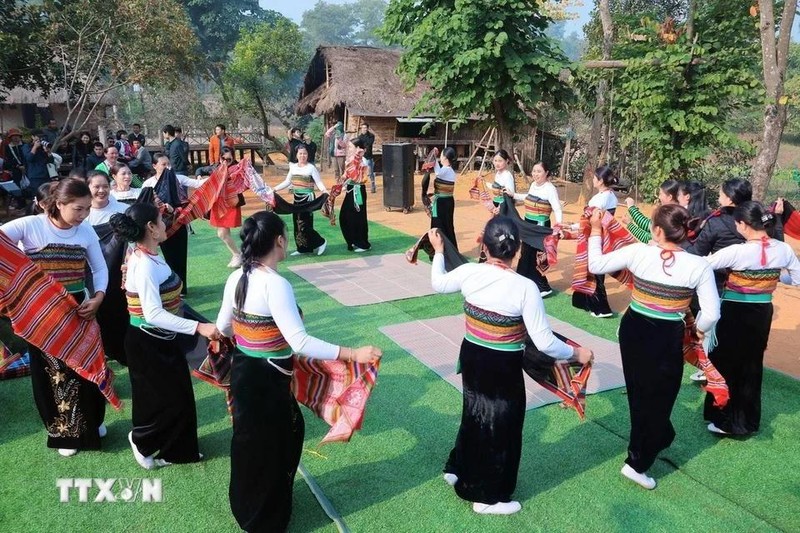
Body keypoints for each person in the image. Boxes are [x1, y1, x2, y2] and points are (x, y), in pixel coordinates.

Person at [216, 211, 382, 531]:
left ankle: (247, 506)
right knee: (275, 442)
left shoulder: (237, 277)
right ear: (280, 241)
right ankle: (265, 517)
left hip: (244, 371)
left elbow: (224, 325)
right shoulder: (275, 284)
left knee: (250, 440)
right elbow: (299, 341)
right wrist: (352, 353)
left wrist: (250, 333)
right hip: (267, 379)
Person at [429, 217, 592, 515]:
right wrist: (576, 353)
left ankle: (457, 467)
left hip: (473, 356)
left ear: (483, 244)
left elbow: (438, 283)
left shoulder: (468, 273)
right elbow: (544, 342)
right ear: (517, 250)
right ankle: (486, 496)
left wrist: (439, 250)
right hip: (502, 366)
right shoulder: (525, 288)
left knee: (474, 411)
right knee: (501, 426)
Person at [587, 204, 719, 489]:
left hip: (634, 328)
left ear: (657, 230)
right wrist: (697, 329)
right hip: (666, 333)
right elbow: (712, 314)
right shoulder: (699, 265)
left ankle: (653, 440)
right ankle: (638, 461)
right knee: (660, 395)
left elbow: (595, 265)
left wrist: (596, 230)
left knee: (641, 390)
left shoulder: (638, 252)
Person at [0, 178, 109, 457]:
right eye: (78, 209)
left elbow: (99, 268)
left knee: (87, 369)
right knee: (54, 374)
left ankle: (93, 422)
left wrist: (97, 297)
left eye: (87, 209)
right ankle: (65, 434)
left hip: (80, 309)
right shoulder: (30, 225)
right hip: (42, 316)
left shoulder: (85, 231)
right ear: (59, 204)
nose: (84, 216)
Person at [110, 203, 218, 469]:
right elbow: (154, 314)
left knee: (177, 397)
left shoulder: (149, 253)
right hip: (147, 342)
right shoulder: (144, 263)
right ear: (151, 227)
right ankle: (141, 441)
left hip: (162, 339)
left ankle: (177, 451)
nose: (166, 223)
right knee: (161, 402)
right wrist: (198, 328)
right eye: (161, 219)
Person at [703, 201, 800, 436]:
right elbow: (796, 279)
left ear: (743, 225)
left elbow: (701, 266)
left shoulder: (737, 251)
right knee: (751, 363)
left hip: (734, 312)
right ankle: (747, 420)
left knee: (724, 362)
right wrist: (772, 277)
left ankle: (723, 418)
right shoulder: (783, 250)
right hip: (761, 313)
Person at [142, 154, 205, 293]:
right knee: (163, 258)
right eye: (164, 165)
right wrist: (161, 208)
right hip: (159, 228)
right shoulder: (148, 184)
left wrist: (218, 174)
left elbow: (197, 185)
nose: (167, 167)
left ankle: (181, 289)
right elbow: (143, 206)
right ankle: (169, 288)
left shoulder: (178, 178)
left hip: (178, 224)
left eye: (169, 164)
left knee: (180, 257)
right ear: (154, 166)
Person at [573, 165, 619, 318]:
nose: (592, 180)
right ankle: (588, 302)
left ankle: (601, 308)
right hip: (604, 237)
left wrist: (573, 227)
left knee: (595, 270)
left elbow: (591, 219)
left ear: (600, 181)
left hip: (595, 236)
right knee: (594, 270)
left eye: (594, 178)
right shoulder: (611, 196)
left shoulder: (600, 199)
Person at [510, 160, 562, 296]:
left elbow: (557, 208)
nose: (535, 174)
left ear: (546, 173)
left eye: (539, 171)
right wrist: (513, 195)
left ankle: (543, 286)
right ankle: (523, 282)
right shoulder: (533, 185)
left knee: (536, 256)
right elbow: (528, 197)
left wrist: (559, 226)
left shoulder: (550, 189)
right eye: (534, 171)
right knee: (525, 254)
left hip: (540, 227)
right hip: (528, 225)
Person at [274, 145, 328, 256]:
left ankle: (321, 242)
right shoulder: (293, 167)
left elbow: (318, 182)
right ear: (296, 155)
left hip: (308, 200)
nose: (303, 156)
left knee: (305, 225)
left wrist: (324, 191)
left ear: (308, 155)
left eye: (305, 154)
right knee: (297, 224)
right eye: (300, 153)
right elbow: (287, 181)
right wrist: (275, 189)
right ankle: (303, 248)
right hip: (297, 199)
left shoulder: (311, 168)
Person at [196, 147, 244, 267]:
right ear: (220, 158)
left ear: (233, 158)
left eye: (229, 159)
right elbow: (200, 169)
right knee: (222, 233)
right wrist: (198, 176)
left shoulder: (238, 168)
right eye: (224, 158)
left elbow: (247, 180)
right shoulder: (215, 168)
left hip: (231, 203)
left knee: (222, 233)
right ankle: (237, 254)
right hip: (218, 204)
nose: (226, 161)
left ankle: (238, 255)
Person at [623, 178, 682, 244]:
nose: (659, 197)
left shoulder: (670, 214)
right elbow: (649, 227)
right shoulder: (679, 211)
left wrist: (631, 209)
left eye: (660, 194)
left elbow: (648, 235)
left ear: (669, 197)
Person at [339, 139, 371, 252]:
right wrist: (342, 182)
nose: (349, 149)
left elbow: (358, 177)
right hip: (351, 190)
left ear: (358, 148)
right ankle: (352, 240)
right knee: (345, 216)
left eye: (351, 147)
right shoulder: (351, 160)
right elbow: (347, 175)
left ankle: (363, 243)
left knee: (359, 217)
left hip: (358, 190)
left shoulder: (363, 161)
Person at [429, 146, 459, 250]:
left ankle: (441, 249)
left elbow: (437, 172)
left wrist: (433, 156)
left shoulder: (446, 170)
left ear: (445, 158)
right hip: (445, 201)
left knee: (440, 225)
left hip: (443, 202)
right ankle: (448, 248)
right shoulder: (447, 170)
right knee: (447, 225)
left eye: (441, 155)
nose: (440, 157)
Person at [355, 123, 376, 193]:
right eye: (363, 128)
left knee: (371, 173)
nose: (364, 129)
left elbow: (369, 144)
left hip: (370, 156)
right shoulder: (359, 137)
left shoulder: (371, 136)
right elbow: (357, 145)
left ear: (367, 128)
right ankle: (361, 187)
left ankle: (373, 185)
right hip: (363, 157)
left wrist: (363, 145)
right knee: (363, 172)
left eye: (365, 128)